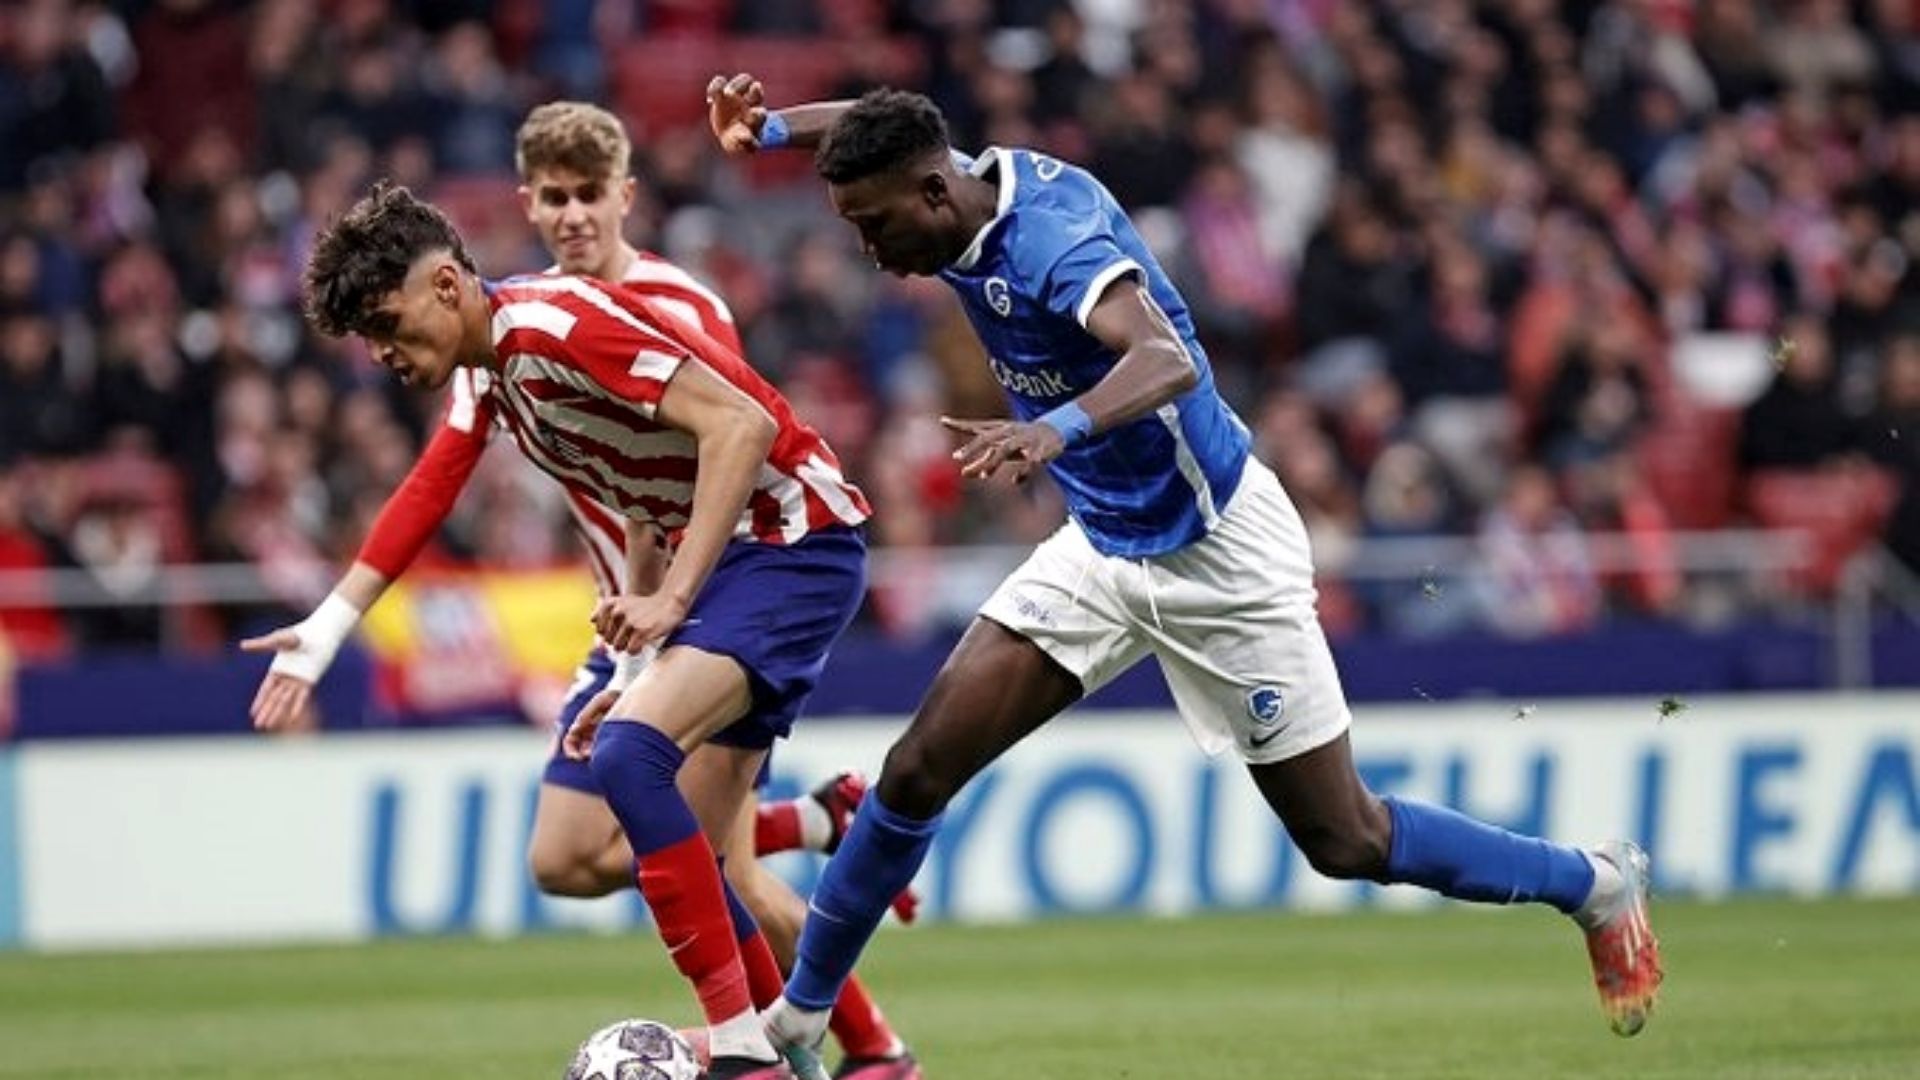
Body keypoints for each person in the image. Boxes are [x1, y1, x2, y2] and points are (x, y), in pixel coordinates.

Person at [702, 78, 1665, 1056]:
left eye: (873, 224)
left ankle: (1591, 882)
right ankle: (802, 1020)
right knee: (916, 771)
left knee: (1347, 841)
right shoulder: (949, 181)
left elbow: (1169, 359)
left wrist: (1055, 430)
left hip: (1219, 555)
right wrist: (774, 129)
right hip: (1105, 541)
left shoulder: (1050, 245)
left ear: (934, 198)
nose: (867, 247)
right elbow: (884, 119)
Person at [243, 103, 919, 1080]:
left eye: (387, 326)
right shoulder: (504, 367)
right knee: (639, 830)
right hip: (733, 569)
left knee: (638, 765)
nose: (384, 354)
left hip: (788, 547)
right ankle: (829, 1043)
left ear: (446, 284)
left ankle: (749, 1049)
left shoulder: (565, 325)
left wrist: (668, 609)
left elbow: (739, 427)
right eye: (369, 340)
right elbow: (627, 493)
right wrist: (641, 653)